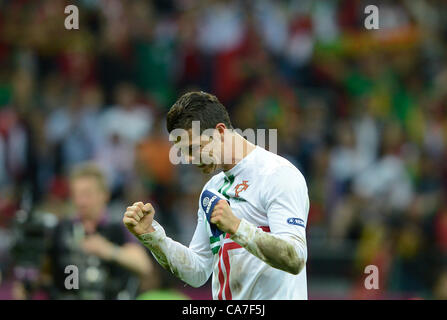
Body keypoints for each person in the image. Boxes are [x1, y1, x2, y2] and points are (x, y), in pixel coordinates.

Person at [123, 91, 309, 299]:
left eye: (194, 148)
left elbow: (295, 259)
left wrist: (238, 227)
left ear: (220, 132)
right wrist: (153, 237)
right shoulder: (212, 189)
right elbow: (198, 272)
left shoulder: (277, 174)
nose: (189, 159)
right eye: (183, 151)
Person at [42, 163, 153, 299]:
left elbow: (144, 265)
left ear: (104, 195)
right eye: (76, 194)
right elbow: (44, 271)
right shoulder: (61, 229)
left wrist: (108, 250)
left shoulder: (118, 228)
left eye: (87, 194)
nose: (81, 201)